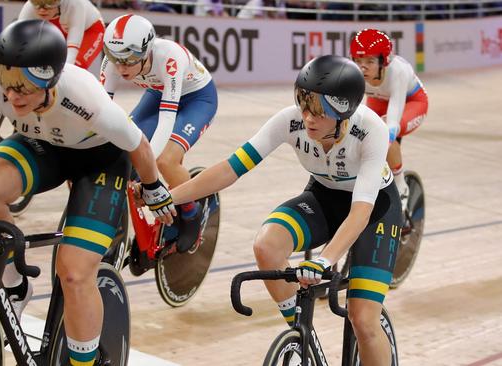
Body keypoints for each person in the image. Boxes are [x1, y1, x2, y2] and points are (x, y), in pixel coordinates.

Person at [0, 19, 175, 366]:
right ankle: (14, 284)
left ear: (50, 80)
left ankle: (83, 362)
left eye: (23, 88)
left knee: (74, 273)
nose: (11, 96)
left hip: (100, 162)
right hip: (44, 146)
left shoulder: (83, 96)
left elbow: (139, 146)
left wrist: (153, 188)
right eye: (6, 84)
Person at [170, 55, 402, 365]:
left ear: (343, 113)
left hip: (375, 213)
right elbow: (231, 168)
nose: (307, 119)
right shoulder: (289, 120)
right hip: (323, 198)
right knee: (267, 244)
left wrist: (324, 259)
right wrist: (167, 197)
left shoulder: (370, 130)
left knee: (363, 319)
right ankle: (302, 334)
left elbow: (360, 212)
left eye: (318, 112)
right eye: (304, 105)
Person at [100, 14, 218, 252]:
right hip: (158, 93)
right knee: (121, 153)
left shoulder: (169, 57)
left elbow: (166, 119)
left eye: (129, 60)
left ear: (146, 52)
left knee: (165, 160)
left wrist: (146, 169)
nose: (121, 67)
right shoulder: (112, 62)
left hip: (197, 99)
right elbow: (101, 111)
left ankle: (191, 214)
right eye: (115, 59)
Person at [350, 29, 428, 208]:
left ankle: (401, 186)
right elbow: (350, 109)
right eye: (359, 60)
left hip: (412, 102)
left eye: (370, 61)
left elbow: (392, 123)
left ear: (383, 61)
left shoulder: (397, 71)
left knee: (385, 132)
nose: (363, 67)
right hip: (378, 99)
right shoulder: (354, 71)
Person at [19, 0, 105, 69]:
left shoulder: (74, 4)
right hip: (62, 27)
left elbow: (72, 50)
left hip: (90, 30)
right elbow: (19, 44)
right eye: (37, 3)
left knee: (75, 66)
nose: (42, 9)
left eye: (49, 3)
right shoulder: (29, 7)